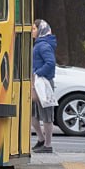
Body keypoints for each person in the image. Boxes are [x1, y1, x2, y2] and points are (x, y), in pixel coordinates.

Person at [31, 19, 57, 152]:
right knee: (33, 114)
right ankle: (41, 140)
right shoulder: (39, 44)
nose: (32, 31)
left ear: (40, 30)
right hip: (37, 83)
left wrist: (38, 73)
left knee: (46, 114)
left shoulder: (43, 45)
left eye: (34, 29)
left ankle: (47, 145)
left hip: (44, 83)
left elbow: (50, 63)